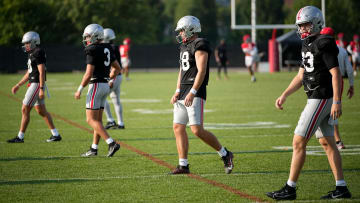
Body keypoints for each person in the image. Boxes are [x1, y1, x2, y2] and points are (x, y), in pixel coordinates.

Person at [266, 6, 351, 200]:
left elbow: (336, 74)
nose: (302, 29)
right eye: (301, 26)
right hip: (317, 97)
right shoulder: (308, 44)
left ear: (317, 23)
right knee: (327, 143)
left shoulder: (323, 42)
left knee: (298, 141)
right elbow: (301, 75)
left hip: (321, 97)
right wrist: (285, 94)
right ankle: (342, 187)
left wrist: (337, 101)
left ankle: (290, 188)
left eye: (306, 25)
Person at [170, 16, 234, 175]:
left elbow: (202, 70)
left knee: (197, 130)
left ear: (191, 29)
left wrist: (192, 92)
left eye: (182, 30)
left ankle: (225, 154)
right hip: (183, 90)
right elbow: (182, 71)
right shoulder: (184, 46)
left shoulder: (200, 44)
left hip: (195, 90)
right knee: (178, 127)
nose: (181, 33)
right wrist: (177, 90)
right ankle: (183, 165)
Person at [74, 24, 121, 157]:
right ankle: (94, 149)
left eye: (88, 36)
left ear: (95, 36)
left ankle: (111, 143)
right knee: (98, 121)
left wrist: (79, 89)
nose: (87, 39)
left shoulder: (92, 49)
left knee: (90, 120)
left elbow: (88, 74)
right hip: (105, 85)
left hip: (95, 86)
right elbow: (117, 68)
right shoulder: (107, 47)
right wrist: (110, 79)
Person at [7, 31, 62, 143]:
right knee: (41, 111)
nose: (26, 45)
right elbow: (30, 72)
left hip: (37, 84)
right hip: (35, 83)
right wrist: (18, 84)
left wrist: (41, 89)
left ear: (34, 42)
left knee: (25, 108)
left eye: (27, 43)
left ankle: (20, 137)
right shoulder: (32, 53)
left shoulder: (38, 52)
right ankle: (55, 135)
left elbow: (42, 72)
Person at [321, 27, 355, 150]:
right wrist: (351, 85)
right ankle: (333, 139)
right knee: (332, 110)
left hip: (325, 82)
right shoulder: (342, 51)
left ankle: (336, 140)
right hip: (339, 82)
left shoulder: (321, 48)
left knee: (329, 111)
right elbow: (349, 70)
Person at [102, 28, 125, 130]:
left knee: (102, 97)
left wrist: (111, 79)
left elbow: (113, 65)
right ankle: (120, 123)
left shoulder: (108, 48)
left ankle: (110, 120)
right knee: (116, 100)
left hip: (114, 76)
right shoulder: (115, 47)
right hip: (118, 75)